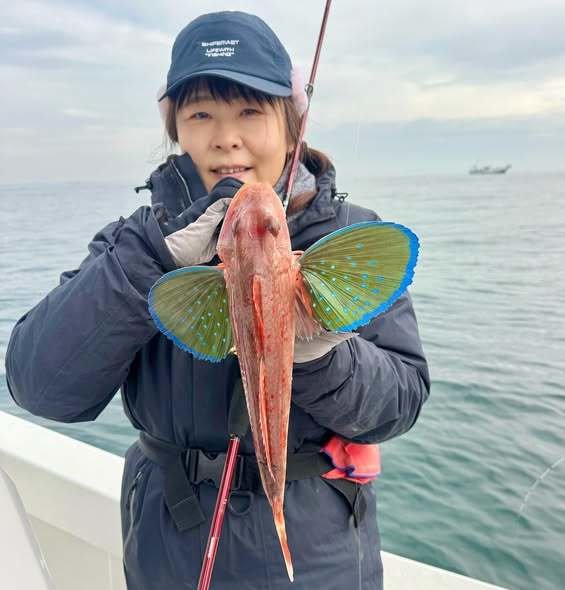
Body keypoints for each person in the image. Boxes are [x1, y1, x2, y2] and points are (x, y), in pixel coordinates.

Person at [5, 11, 430, 590]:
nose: (226, 137)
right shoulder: (134, 243)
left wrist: (321, 355)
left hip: (317, 557)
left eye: (250, 112)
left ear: (291, 124)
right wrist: (149, 260)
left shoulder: (347, 237)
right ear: (176, 129)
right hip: (168, 548)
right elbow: (41, 388)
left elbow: (399, 403)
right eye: (201, 114)